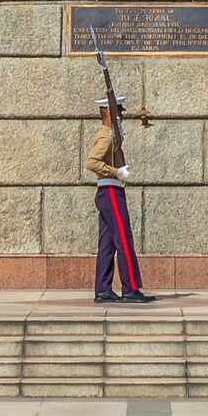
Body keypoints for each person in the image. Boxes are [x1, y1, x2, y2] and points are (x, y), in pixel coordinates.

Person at [87, 66, 152, 302]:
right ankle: (130, 288)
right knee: (124, 239)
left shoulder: (113, 134)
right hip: (110, 192)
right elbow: (92, 162)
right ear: (108, 111)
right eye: (118, 110)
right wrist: (117, 172)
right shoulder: (106, 135)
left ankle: (103, 289)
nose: (121, 115)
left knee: (107, 243)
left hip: (109, 192)